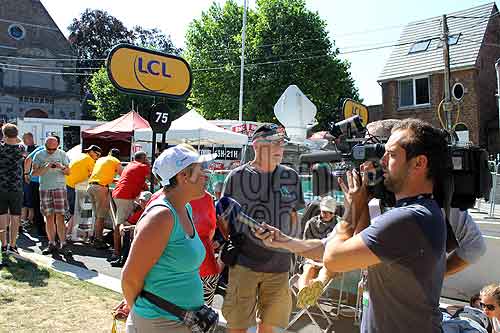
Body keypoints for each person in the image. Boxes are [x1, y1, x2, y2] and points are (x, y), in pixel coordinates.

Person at [255, 119, 450, 333]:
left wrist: (352, 210)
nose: (382, 161)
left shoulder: (409, 219)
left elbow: (334, 258)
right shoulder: (421, 211)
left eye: (391, 155)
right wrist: (283, 240)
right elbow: (343, 250)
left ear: (419, 163)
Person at [122, 144, 216, 333]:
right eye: (200, 170)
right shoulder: (162, 217)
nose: (206, 176)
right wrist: (140, 314)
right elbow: (130, 278)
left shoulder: (185, 208)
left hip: (180, 320)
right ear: (183, 177)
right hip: (159, 323)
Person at [220, 124, 304, 333]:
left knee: (272, 329)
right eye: (274, 143)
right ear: (257, 146)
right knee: (239, 328)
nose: (280, 148)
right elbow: (221, 217)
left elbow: (295, 217)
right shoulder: (236, 177)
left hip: (280, 266)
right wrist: (236, 237)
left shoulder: (291, 177)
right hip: (244, 265)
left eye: (282, 144)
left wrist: (292, 244)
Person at [296, 195, 339, 308]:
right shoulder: (311, 223)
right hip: (312, 257)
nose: (325, 214)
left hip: (329, 259)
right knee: (308, 269)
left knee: (326, 270)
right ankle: (303, 294)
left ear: (333, 213)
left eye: (328, 212)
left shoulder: (339, 226)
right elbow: (305, 246)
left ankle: (316, 286)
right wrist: (313, 259)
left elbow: (340, 247)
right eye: (324, 211)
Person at [32, 136, 71, 255]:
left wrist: (61, 167)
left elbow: (68, 172)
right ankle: (51, 243)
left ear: (57, 146)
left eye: (53, 149)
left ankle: (63, 244)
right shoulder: (39, 155)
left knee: (60, 216)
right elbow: (34, 173)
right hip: (45, 188)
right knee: (48, 217)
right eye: (48, 149)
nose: (51, 151)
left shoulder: (62, 154)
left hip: (59, 187)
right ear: (45, 146)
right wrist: (46, 166)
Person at [111, 151, 150, 261]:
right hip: (125, 196)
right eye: (146, 159)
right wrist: (148, 163)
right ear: (143, 158)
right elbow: (155, 178)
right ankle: (118, 252)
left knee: (131, 215)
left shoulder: (131, 165)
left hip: (120, 194)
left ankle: (122, 250)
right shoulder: (142, 166)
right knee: (121, 224)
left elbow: (139, 182)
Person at [87, 148, 122, 249]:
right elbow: (123, 175)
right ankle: (98, 240)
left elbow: (100, 174)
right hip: (100, 188)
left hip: (91, 186)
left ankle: (93, 237)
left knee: (97, 215)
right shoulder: (115, 161)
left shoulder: (101, 159)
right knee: (101, 216)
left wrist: (113, 180)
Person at [190, 189, 220, 306]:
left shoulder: (161, 197)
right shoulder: (207, 197)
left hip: (177, 270)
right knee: (202, 317)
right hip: (206, 264)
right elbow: (212, 228)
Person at [65, 145, 102, 240]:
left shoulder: (81, 156)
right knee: (76, 212)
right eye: (97, 155)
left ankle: (69, 232)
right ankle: (69, 234)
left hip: (68, 185)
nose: (97, 158)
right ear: (92, 152)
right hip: (75, 187)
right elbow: (96, 174)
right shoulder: (89, 159)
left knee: (73, 211)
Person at [0, 124, 26, 254]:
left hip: (1, 187)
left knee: (2, 216)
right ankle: (13, 245)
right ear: (16, 135)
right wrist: (14, 137)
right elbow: (20, 141)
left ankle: (3, 245)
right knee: (16, 216)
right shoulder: (21, 148)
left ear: (4, 134)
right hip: (16, 187)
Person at [110, 191, 152, 267]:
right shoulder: (141, 211)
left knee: (129, 231)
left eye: (145, 201)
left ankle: (126, 260)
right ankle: (125, 259)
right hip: (141, 234)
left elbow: (145, 227)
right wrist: (122, 228)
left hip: (149, 236)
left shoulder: (152, 212)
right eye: (141, 201)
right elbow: (126, 223)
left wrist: (128, 227)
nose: (142, 203)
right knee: (127, 231)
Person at [20, 132, 37, 228]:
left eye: (25, 139)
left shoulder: (36, 149)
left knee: (30, 202)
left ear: (30, 138)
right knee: (23, 201)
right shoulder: (24, 149)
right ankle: (23, 220)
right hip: (23, 179)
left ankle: (30, 221)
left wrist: (27, 155)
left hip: (31, 179)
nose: (24, 141)